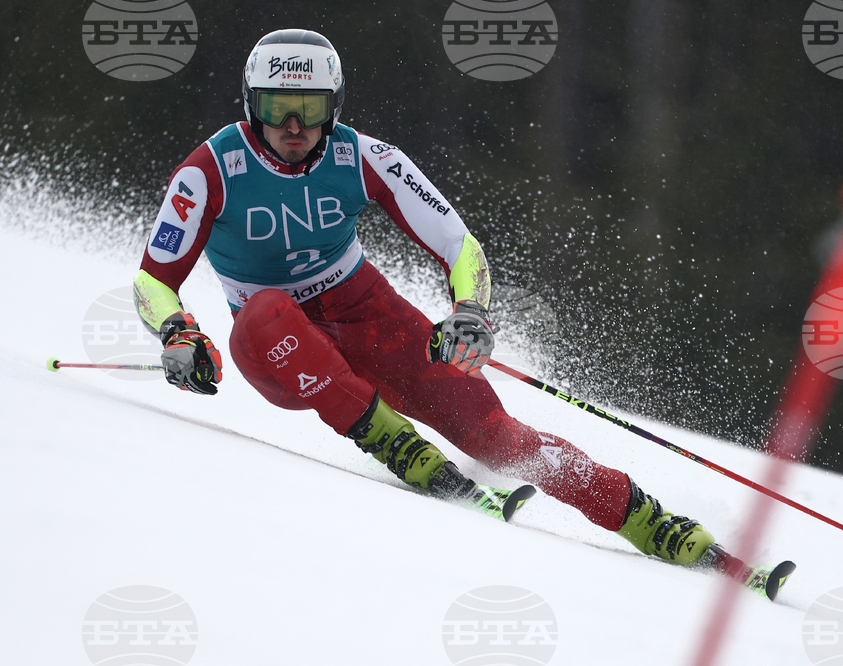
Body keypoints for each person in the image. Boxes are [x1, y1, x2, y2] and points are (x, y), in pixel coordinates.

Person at [133, 28, 718, 569]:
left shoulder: (362, 157)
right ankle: (391, 441)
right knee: (266, 309)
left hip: (364, 313)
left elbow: (458, 244)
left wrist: (470, 312)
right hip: (276, 346)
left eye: (309, 108)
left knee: (498, 436)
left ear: (332, 107)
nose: (291, 124)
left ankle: (648, 520)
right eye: (274, 106)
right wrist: (177, 331)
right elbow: (153, 279)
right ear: (249, 105)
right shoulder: (209, 170)